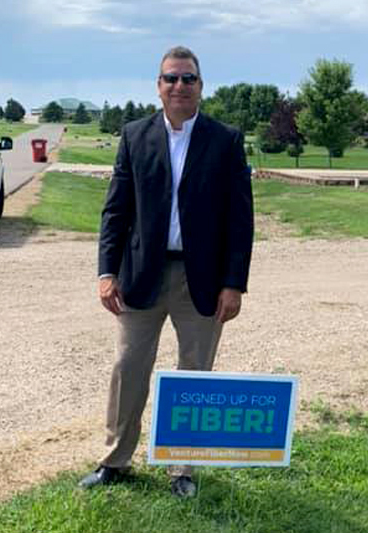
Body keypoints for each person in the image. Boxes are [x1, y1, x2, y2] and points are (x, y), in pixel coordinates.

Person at [79, 45, 254, 497]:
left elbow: (240, 220)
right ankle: (115, 460)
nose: (179, 86)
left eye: (188, 78)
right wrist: (105, 272)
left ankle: (182, 469)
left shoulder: (225, 140)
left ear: (200, 86)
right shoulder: (135, 136)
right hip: (141, 277)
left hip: (203, 281)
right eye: (171, 78)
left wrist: (233, 283)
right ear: (158, 86)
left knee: (193, 375)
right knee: (127, 367)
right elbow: (115, 211)